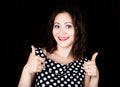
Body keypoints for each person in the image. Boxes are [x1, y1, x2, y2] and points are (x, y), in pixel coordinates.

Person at [18, 4, 99, 87]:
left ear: (77, 29)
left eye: (68, 26)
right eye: (57, 26)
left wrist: (95, 77)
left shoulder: (84, 64)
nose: (61, 32)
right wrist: (26, 70)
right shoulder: (38, 55)